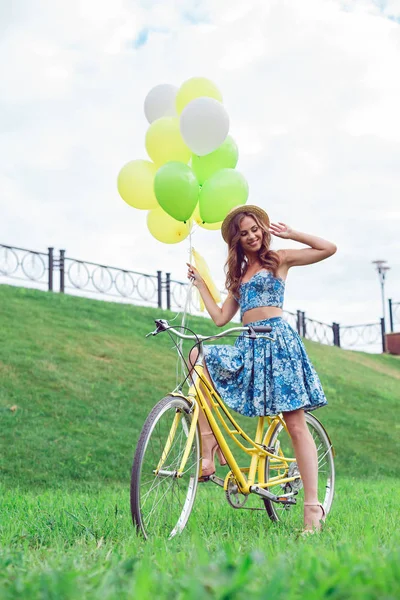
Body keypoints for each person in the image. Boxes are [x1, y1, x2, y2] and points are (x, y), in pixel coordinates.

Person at [186, 205, 337, 533]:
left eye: (255, 229)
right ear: (236, 240)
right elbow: (220, 318)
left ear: (263, 229)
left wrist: (292, 233)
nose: (251, 236)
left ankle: (313, 508)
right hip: (248, 348)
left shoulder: (279, 258)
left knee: (296, 425)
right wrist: (200, 285)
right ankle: (208, 442)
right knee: (198, 354)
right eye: (244, 233)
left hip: (278, 344)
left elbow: (328, 248)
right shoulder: (239, 276)